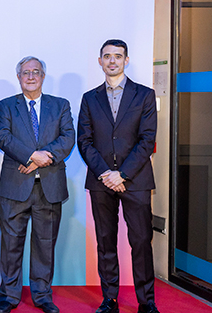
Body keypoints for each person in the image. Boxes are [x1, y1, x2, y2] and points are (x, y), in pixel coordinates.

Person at [78, 39, 160, 313]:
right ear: (100, 61)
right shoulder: (90, 98)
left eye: (118, 56)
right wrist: (105, 173)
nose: (112, 60)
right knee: (106, 241)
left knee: (140, 242)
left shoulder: (144, 95)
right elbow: (84, 141)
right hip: (101, 181)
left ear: (126, 60)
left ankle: (146, 302)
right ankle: (109, 299)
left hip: (135, 180)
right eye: (107, 56)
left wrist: (122, 174)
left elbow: (147, 140)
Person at [0, 56, 75, 313]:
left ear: (43, 76)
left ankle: (42, 296)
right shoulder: (6, 106)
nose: (31, 76)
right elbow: (4, 138)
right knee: (11, 245)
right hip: (15, 186)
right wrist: (32, 156)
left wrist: (40, 159)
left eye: (36, 72)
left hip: (49, 187)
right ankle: (8, 296)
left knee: (45, 244)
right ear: (18, 77)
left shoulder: (60, 105)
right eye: (25, 72)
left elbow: (68, 137)